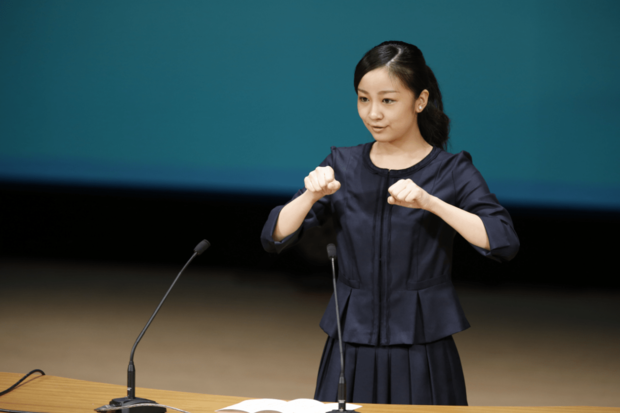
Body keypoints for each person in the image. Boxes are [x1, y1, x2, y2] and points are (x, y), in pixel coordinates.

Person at [260, 41, 519, 406]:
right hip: (350, 344)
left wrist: (431, 203)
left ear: (420, 100)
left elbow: (503, 241)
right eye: (363, 99)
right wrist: (309, 197)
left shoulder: (451, 169)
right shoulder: (342, 164)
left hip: (422, 345)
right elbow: (274, 236)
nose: (373, 113)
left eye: (387, 100)